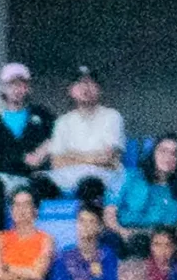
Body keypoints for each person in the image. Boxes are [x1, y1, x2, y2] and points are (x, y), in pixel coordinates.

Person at [47, 66, 124, 198]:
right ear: (71, 91)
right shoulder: (62, 121)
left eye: (90, 83)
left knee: (89, 184)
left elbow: (108, 158)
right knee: (40, 183)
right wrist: (91, 158)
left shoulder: (112, 116)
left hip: (101, 176)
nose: (85, 88)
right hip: (68, 176)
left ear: (99, 89)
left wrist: (71, 156)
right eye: (79, 83)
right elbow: (56, 162)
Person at [0, 63, 55, 195]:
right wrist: (21, 158)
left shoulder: (42, 114)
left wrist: (43, 151)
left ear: (28, 88)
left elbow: (56, 136)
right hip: (6, 181)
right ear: (3, 88)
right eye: (11, 84)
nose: (17, 89)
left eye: (21, 84)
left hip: (38, 179)